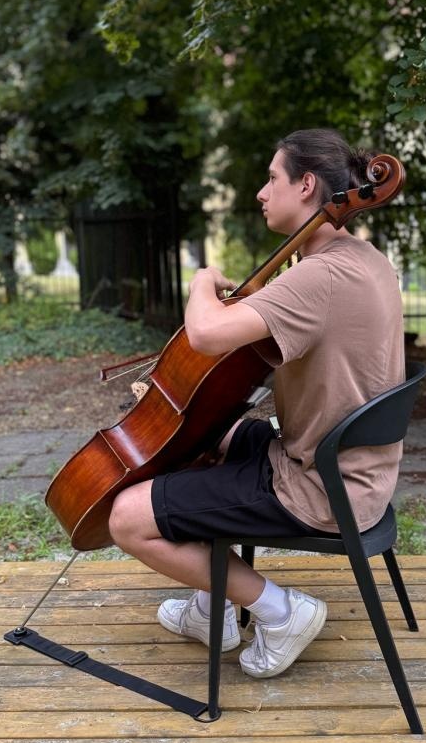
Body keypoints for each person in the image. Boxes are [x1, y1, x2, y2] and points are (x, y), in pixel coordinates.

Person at [107, 127, 406, 678]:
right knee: (193, 441)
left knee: (126, 518)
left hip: (319, 486)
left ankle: (280, 610)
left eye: (272, 179)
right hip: (347, 466)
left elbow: (205, 334)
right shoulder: (364, 261)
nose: (262, 193)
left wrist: (203, 283)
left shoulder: (319, 277)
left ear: (307, 185)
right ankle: (211, 608)